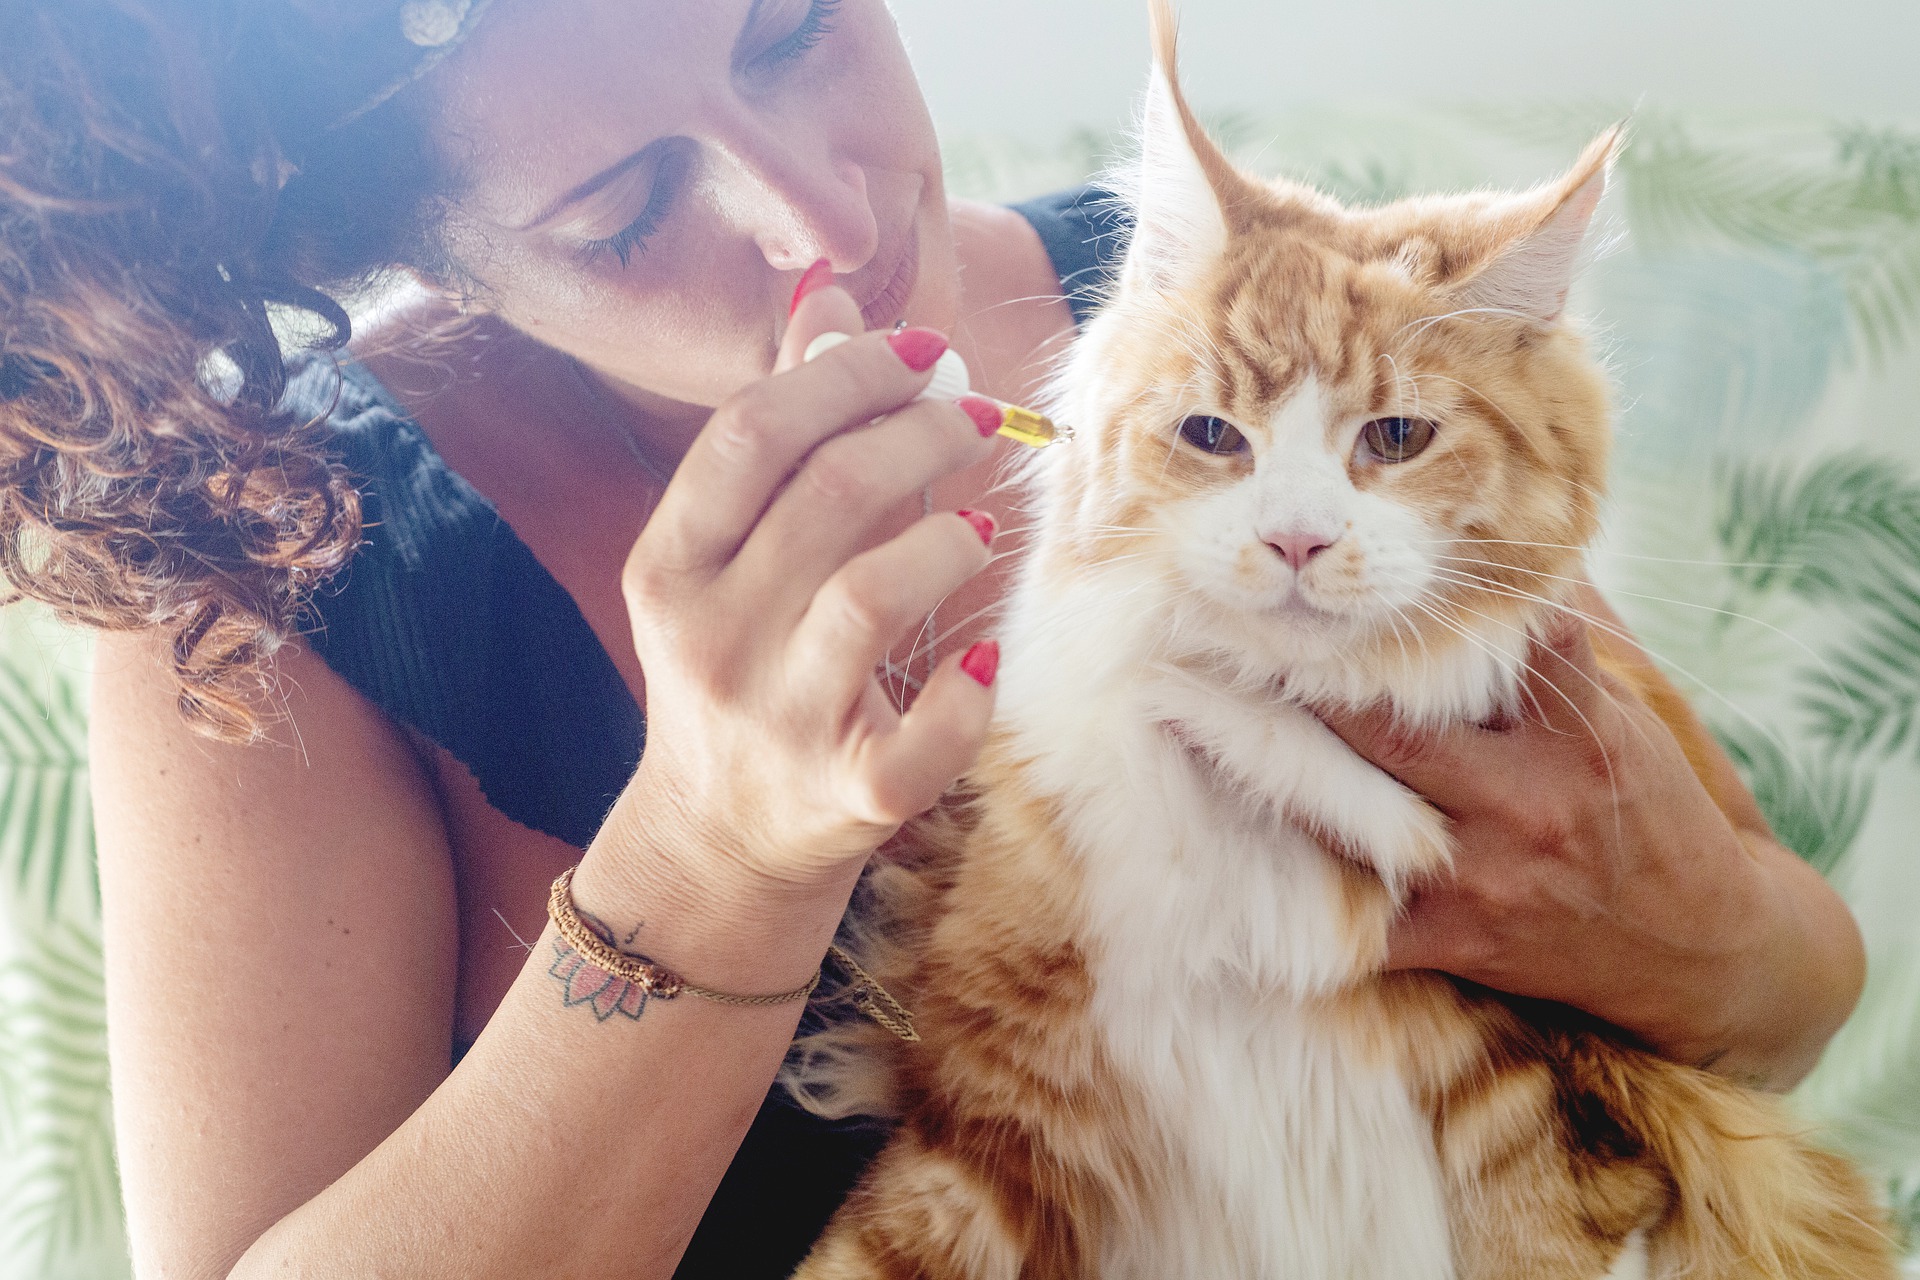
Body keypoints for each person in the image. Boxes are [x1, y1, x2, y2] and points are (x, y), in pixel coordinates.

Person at [0, 1, 1863, 1276]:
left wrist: (1693, 928)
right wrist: (710, 859)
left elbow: (1786, 999)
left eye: (795, 25)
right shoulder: (274, 580)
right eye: (629, 210)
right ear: (430, 254)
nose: (822, 207)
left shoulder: (1221, 322)